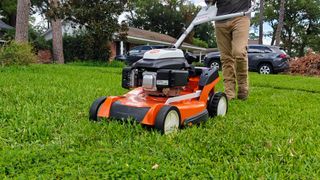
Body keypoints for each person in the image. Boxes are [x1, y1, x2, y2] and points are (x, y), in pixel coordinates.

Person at [205, 0, 252, 100]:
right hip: (220, 20)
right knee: (226, 58)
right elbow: (209, 2)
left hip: (241, 16)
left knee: (239, 52)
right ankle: (229, 93)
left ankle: (243, 88)